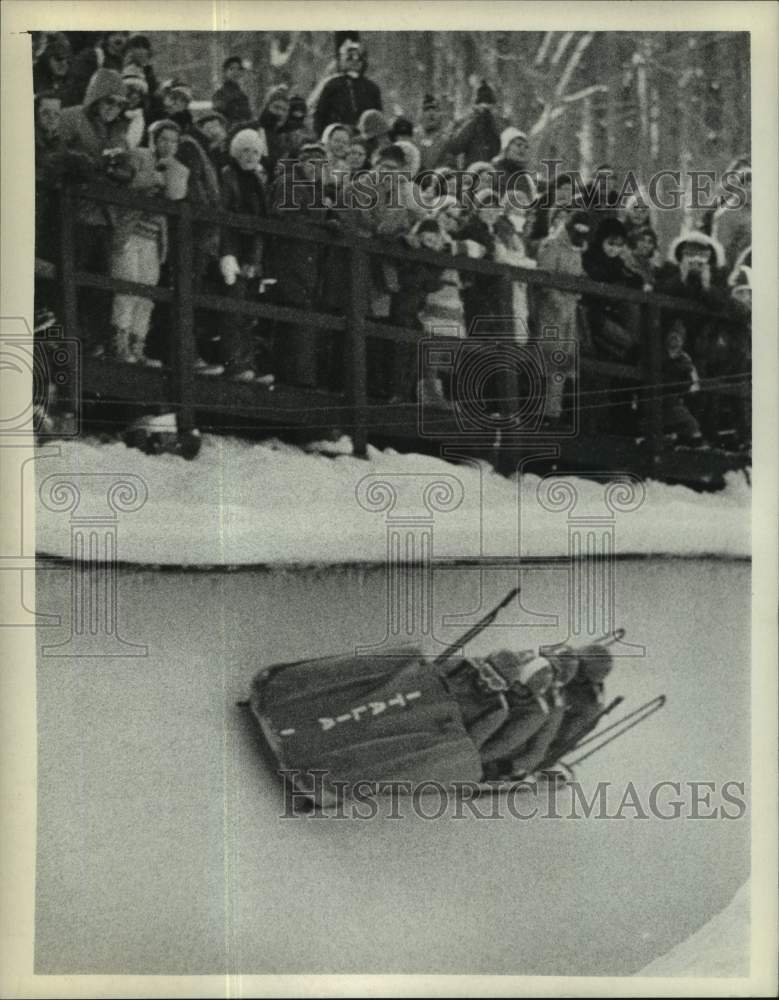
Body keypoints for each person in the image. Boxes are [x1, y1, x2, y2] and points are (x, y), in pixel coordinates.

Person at [59, 68, 130, 350]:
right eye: (108, 101)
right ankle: (71, 339)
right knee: (73, 279)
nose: (113, 109)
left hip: (105, 218)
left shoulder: (118, 132)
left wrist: (124, 170)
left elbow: (127, 169)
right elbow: (57, 152)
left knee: (101, 285)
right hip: (76, 213)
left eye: (119, 104)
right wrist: (86, 164)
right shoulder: (72, 118)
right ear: (96, 98)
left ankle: (95, 343)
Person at [109, 120, 188, 365]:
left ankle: (138, 346)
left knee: (147, 292)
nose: (168, 145)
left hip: (153, 237)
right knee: (127, 286)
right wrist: (154, 177)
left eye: (173, 141)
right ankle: (119, 345)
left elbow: (176, 194)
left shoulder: (176, 167)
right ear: (154, 138)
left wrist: (168, 171)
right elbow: (126, 181)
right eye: (163, 139)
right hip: (130, 232)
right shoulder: (139, 155)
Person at [217, 129, 271, 382]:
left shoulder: (258, 180)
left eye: (255, 151)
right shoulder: (229, 176)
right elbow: (223, 214)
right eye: (245, 151)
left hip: (254, 251)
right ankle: (235, 363)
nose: (250, 156)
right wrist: (226, 252)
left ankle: (249, 363)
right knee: (234, 308)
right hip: (235, 247)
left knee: (250, 311)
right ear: (237, 152)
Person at [533, 208, 591, 426]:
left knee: (564, 362)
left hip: (569, 311)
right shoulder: (552, 244)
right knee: (549, 358)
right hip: (552, 311)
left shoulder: (577, 249)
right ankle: (541, 411)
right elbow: (544, 276)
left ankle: (553, 411)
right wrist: (557, 299)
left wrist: (580, 284)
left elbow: (576, 275)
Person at [314, 31, 383, 136]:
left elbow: (377, 118)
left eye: (359, 58)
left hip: (365, 140)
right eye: (350, 58)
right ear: (343, 61)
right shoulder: (332, 85)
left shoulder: (372, 88)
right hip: (337, 138)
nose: (354, 61)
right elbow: (320, 117)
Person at [443, 80, 505, 169]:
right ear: (475, 106)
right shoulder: (469, 123)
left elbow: (506, 143)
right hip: (472, 173)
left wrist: (492, 120)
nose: (485, 107)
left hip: (495, 173)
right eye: (482, 102)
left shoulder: (499, 123)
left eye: (488, 103)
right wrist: (475, 120)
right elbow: (455, 147)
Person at [661, 320, 704, 446]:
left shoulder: (684, 358)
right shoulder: (658, 353)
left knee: (693, 428)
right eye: (672, 333)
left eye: (679, 335)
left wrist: (693, 386)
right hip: (657, 396)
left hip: (674, 399)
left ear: (683, 340)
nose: (675, 337)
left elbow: (694, 378)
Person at [62, 31, 128, 107]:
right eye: (114, 34)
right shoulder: (93, 55)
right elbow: (76, 85)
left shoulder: (120, 62)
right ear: (107, 37)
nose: (119, 38)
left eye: (123, 35)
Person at [413, 94, 449, 172]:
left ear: (441, 115)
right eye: (426, 110)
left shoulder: (446, 139)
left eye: (435, 110)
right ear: (421, 114)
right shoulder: (414, 137)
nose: (431, 113)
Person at [212, 56, 252, 125]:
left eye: (239, 69)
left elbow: (248, 117)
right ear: (225, 72)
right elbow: (218, 117)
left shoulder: (243, 95)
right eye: (231, 69)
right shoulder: (220, 94)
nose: (235, 72)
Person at [120, 64, 148, 148]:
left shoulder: (140, 118)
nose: (134, 96)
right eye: (130, 89)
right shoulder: (111, 113)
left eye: (139, 92)